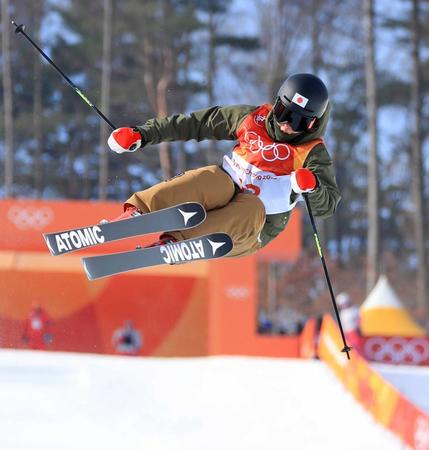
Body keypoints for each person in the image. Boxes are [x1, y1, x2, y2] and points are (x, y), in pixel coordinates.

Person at [107, 73, 341, 257]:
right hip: (227, 186)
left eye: (298, 121)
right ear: (277, 103)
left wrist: (313, 187)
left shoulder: (312, 153)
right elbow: (197, 123)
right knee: (213, 178)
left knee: (251, 207)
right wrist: (142, 135)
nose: (286, 125)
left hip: (252, 228)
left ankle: (177, 243)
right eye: (283, 113)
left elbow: (327, 205)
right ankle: (138, 212)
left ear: (313, 124)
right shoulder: (252, 119)